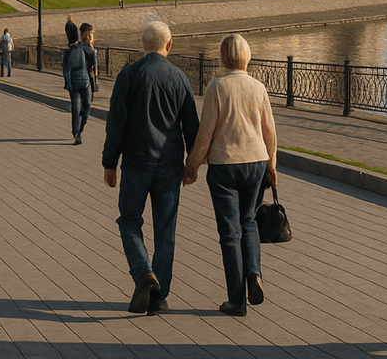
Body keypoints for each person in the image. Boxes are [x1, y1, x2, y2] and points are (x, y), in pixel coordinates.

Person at [102, 21, 200, 316]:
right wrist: (192, 165)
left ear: (142, 45)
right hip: (170, 165)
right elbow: (191, 127)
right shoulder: (180, 77)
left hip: (135, 162)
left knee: (129, 221)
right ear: (169, 45)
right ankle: (158, 296)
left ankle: (143, 270)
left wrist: (110, 163)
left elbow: (116, 124)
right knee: (165, 230)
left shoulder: (129, 74)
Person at [182, 33, 278, 318]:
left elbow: (206, 133)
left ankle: (236, 300)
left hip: (224, 165)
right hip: (257, 162)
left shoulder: (216, 87)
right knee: (248, 222)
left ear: (223, 57)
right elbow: (269, 131)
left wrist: (192, 166)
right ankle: (254, 273)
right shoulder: (258, 87)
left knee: (229, 232)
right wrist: (272, 166)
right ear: (246, 57)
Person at [64, 23, 98, 145]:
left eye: (91, 35)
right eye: (88, 34)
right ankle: (76, 133)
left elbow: (94, 66)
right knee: (76, 107)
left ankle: (80, 129)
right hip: (75, 84)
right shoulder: (74, 49)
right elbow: (67, 67)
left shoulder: (91, 50)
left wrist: (93, 50)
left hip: (87, 83)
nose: (90, 37)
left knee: (87, 107)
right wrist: (68, 83)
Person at [61, 17, 79, 89]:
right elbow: (75, 33)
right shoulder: (72, 25)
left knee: (67, 68)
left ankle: (67, 83)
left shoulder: (67, 25)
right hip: (73, 43)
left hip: (71, 43)